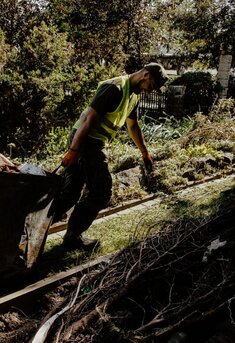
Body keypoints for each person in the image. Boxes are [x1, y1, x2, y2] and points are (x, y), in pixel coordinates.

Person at [53, 63, 168, 251]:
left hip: (91, 142)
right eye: (151, 86)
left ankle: (31, 227)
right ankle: (72, 237)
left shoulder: (132, 95)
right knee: (101, 192)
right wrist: (74, 151)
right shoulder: (115, 88)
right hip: (87, 141)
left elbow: (133, 127)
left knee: (71, 192)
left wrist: (145, 153)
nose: (149, 91)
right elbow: (88, 119)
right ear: (145, 75)